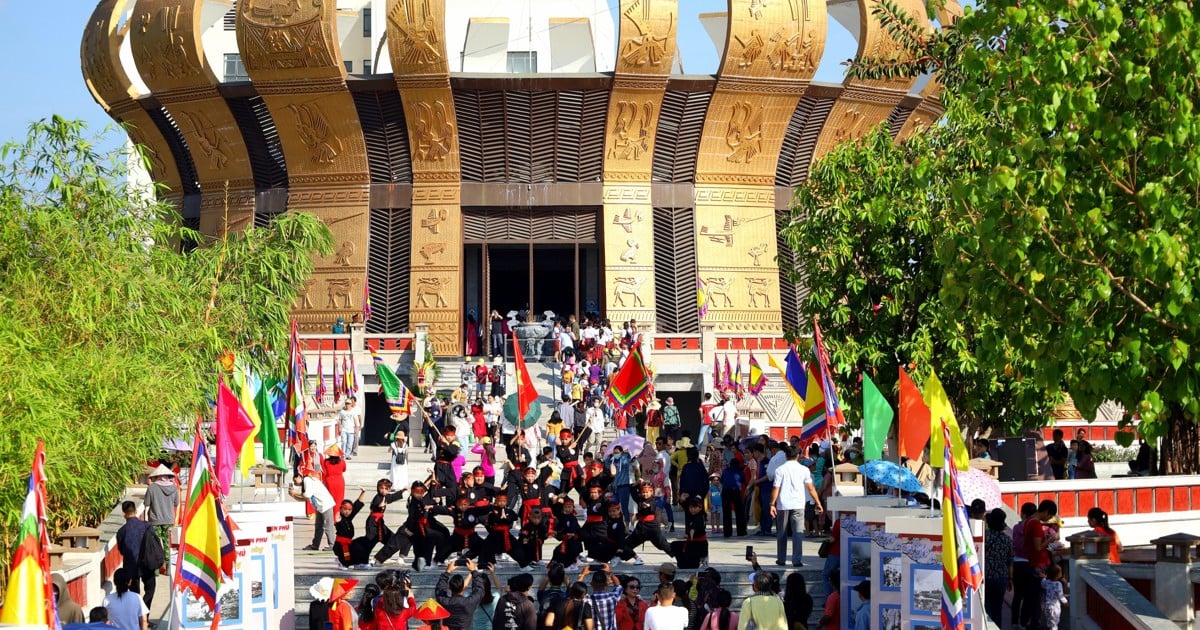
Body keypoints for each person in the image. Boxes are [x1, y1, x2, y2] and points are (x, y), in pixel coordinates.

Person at [770, 447, 822, 567]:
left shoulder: (780, 470)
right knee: (798, 533)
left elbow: (776, 488)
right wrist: (818, 502)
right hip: (798, 504)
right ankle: (797, 559)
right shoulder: (804, 470)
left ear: (785, 456)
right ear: (798, 456)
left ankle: (781, 559)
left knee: (781, 533)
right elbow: (811, 488)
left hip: (783, 505)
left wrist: (772, 504)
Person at [114, 501, 155, 609]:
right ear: (136, 511)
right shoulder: (147, 526)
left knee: (134, 594)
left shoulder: (122, 531)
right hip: (148, 563)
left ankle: (137, 615)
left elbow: (121, 550)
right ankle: (145, 613)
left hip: (130, 566)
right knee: (150, 590)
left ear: (124, 514)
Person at [436, 558, 488, 630]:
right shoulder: (469, 603)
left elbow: (439, 589)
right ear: (463, 587)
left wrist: (447, 572)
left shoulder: (444, 601)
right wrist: (474, 571)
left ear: (449, 587)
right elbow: (479, 590)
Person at [983, 508, 1013, 626]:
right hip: (1001, 577)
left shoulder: (984, 537)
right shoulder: (1007, 539)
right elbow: (1010, 561)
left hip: (986, 576)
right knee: (998, 607)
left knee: (987, 607)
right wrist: (1010, 579)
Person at [142, 464, 178, 562]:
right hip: (169, 519)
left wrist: (145, 520)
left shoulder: (152, 488)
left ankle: (156, 568)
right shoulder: (174, 488)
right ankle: (168, 566)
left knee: (155, 544)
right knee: (167, 543)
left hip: (154, 520)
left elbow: (147, 505)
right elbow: (176, 503)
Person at [292, 470, 336, 551]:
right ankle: (315, 545)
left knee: (328, 526)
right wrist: (293, 495)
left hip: (326, 504)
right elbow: (305, 498)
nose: (296, 483)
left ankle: (332, 544)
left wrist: (295, 492)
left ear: (299, 477)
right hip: (320, 506)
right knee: (318, 526)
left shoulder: (307, 480)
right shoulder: (306, 483)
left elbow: (307, 495)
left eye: (295, 481)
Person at [579, 563, 623, 630]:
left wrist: (583, 574)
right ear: (606, 583)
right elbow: (618, 586)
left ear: (591, 584)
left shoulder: (587, 600)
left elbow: (577, 589)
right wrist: (610, 573)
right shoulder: (613, 597)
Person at [1042, 564, 1069, 629]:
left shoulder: (1046, 582)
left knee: (1050, 623)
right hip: (1054, 607)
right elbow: (1060, 595)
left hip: (1047, 606)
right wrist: (1065, 602)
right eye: (1060, 572)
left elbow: (1042, 583)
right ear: (1058, 574)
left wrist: (1044, 577)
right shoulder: (1058, 584)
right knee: (1054, 624)